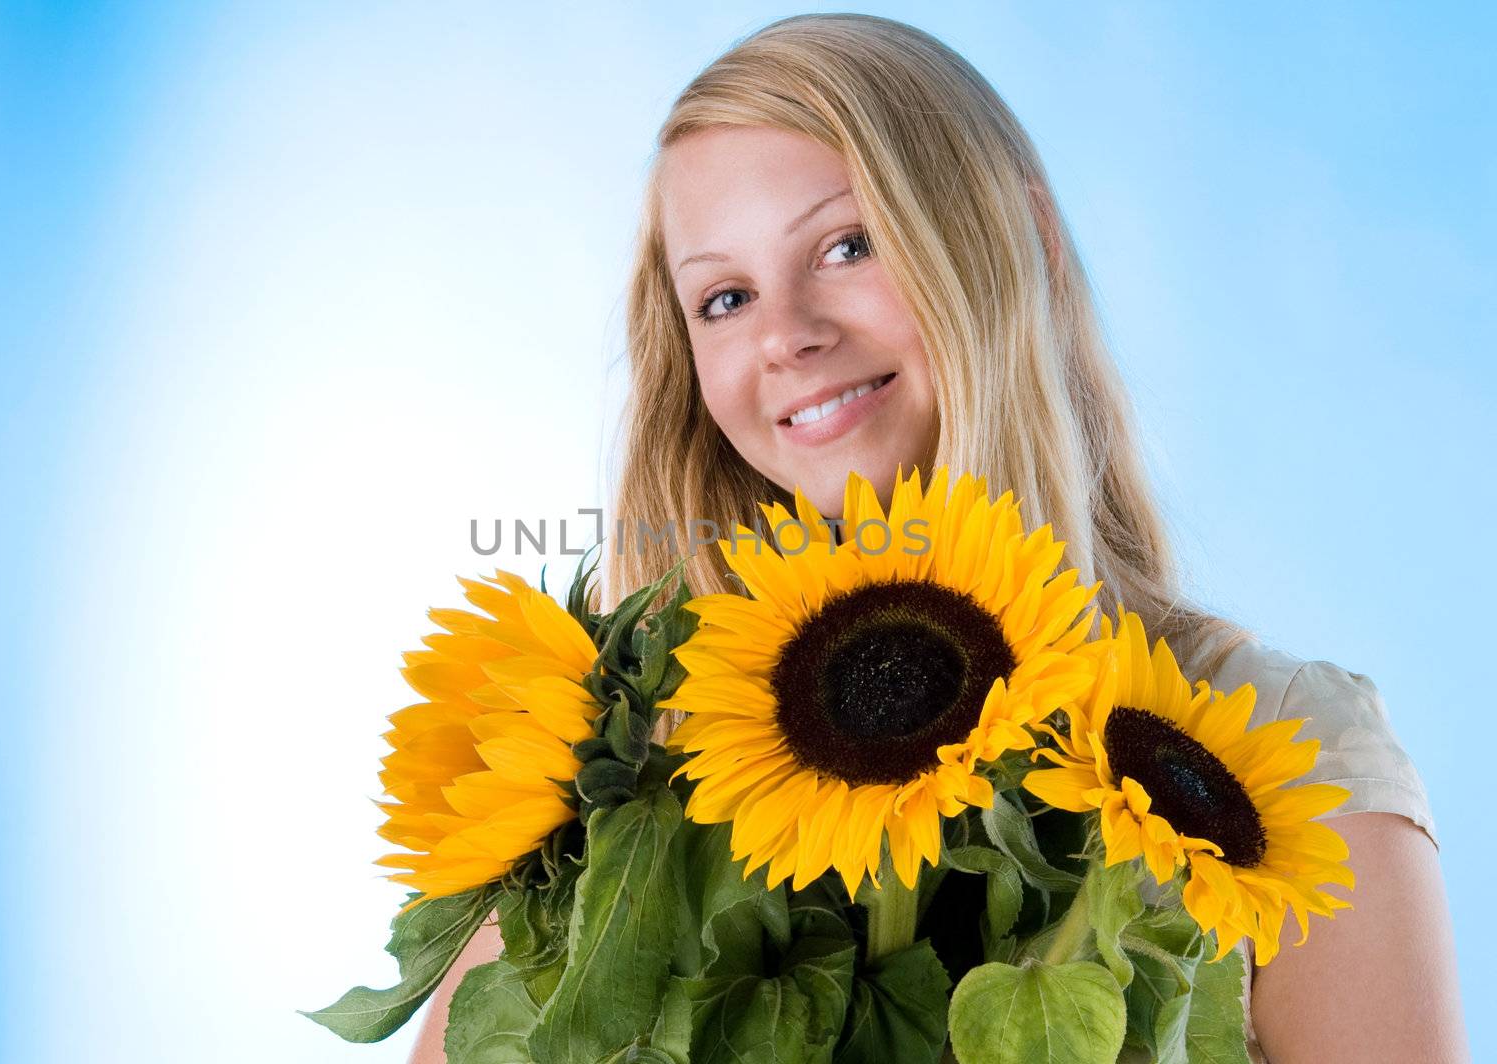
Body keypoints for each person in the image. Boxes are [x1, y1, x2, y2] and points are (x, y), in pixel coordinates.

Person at [411, 14, 1467, 1062]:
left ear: (1022, 236)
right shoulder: (627, 774)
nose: (786, 333)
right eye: (724, 297)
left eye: (847, 244)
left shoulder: (1284, 748)